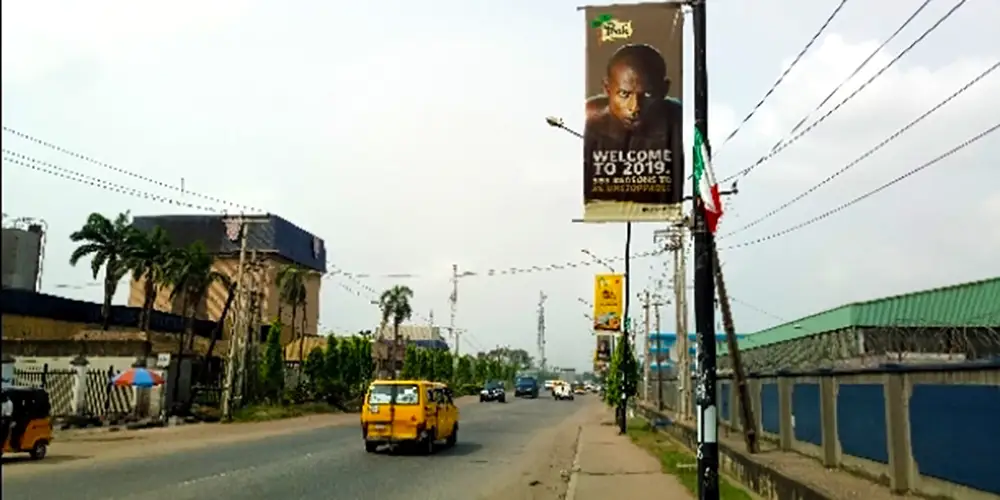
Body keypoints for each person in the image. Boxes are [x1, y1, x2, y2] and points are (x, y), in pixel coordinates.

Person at [584, 43, 684, 206]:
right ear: (607, 89)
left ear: (664, 90)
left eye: (648, 95)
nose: (635, 107)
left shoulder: (677, 122)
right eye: (624, 94)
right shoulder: (590, 122)